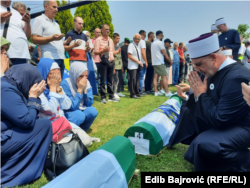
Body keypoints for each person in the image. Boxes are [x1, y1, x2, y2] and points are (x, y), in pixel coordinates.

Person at [169, 33, 250, 172]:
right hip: (223, 117)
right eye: (194, 65)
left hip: (242, 126)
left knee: (204, 144)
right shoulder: (210, 69)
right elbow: (205, 96)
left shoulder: (236, 76)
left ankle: (245, 162)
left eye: (198, 64)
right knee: (188, 108)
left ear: (213, 57)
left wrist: (200, 94)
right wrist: (193, 93)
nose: (196, 69)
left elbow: (220, 119)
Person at [0, 64, 52, 187]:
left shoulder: (6, 85)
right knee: (44, 126)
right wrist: (33, 98)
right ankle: (7, 175)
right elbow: (27, 121)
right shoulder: (4, 89)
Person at [32, 0, 66, 78]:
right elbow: (35, 39)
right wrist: (52, 38)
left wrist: (66, 41)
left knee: (58, 87)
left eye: (57, 7)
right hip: (50, 59)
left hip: (61, 58)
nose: (57, 9)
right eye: (54, 7)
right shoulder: (39, 19)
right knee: (50, 86)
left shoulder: (56, 24)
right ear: (46, 7)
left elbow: (57, 41)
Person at [61, 61, 98, 131]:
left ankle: (82, 130)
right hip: (69, 111)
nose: (84, 79)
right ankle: (69, 131)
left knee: (92, 111)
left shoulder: (87, 83)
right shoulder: (65, 84)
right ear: (74, 74)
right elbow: (72, 106)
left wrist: (85, 91)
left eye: (86, 76)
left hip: (81, 108)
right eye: (81, 76)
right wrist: (79, 90)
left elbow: (90, 103)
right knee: (79, 115)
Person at [94, 24, 119, 104]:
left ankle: (111, 96)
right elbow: (96, 52)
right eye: (106, 29)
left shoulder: (110, 40)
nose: (108, 31)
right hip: (103, 62)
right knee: (102, 81)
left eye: (108, 29)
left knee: (110, 81)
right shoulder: (98, 40)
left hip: (111, 62)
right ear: (102, 30)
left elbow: (111, 51)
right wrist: (103, 51)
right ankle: (103, 97)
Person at [0, 0, 31, 65]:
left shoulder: (16, 13)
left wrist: (27, 23)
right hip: (5, 54)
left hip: (22, 54)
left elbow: (27, 36)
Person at [151, 30, 172, 97]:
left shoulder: (153, 43)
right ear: (160, 35)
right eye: (162, 35)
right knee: (164, 77)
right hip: (159, 62)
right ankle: (167, 92)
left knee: (155, 77)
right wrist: (169, 60)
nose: (162, 37)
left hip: (154, 62)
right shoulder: (160, 42)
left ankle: (156, 92)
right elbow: (164, 53)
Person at [128, 33, 143, 99]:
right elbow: (129, 55)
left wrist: (140, 62)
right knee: (133, 80)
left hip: (137, 66)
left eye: (138, 39)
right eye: (136, 39)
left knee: (137, 80)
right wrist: (137, 61)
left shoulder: (138, 45)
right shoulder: (131, 45)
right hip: (132, 66)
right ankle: (132, 94)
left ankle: (137, 92)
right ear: (133, 39)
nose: (137, 40)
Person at [112, 33, 124, 99]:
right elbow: (111, 56)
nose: (118, 40)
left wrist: (122, 66)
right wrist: (113, 68)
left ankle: (117, 91)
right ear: (113, 38)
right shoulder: (112, 46)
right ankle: (114, 93)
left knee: (120, 79)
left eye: (119, 38)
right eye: (117, 38)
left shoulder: (119, 46)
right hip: (115, 66)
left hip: (119, 66)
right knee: (115, 79)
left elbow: (120, 57)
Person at [138, 30, 148, 95]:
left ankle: (139, 90)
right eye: (145, 35)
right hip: (142, 62)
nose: (145, 37)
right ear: (142, 35)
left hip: (138, 61)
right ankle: (140, 90)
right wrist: (146, 61)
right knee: (141, 77)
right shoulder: (142, 41)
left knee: (139, 77)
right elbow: (143, 52)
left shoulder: (136, 42)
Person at [92, 28, 101, 92]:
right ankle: (93, 89)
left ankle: (100, 89)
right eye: (97, 32)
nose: (98, 34)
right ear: (94, 33)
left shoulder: (102, 40)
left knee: (100, 76)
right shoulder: (91, 40)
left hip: (100, 61)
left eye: (99, 32)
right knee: (93, 76)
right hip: (93, 61)